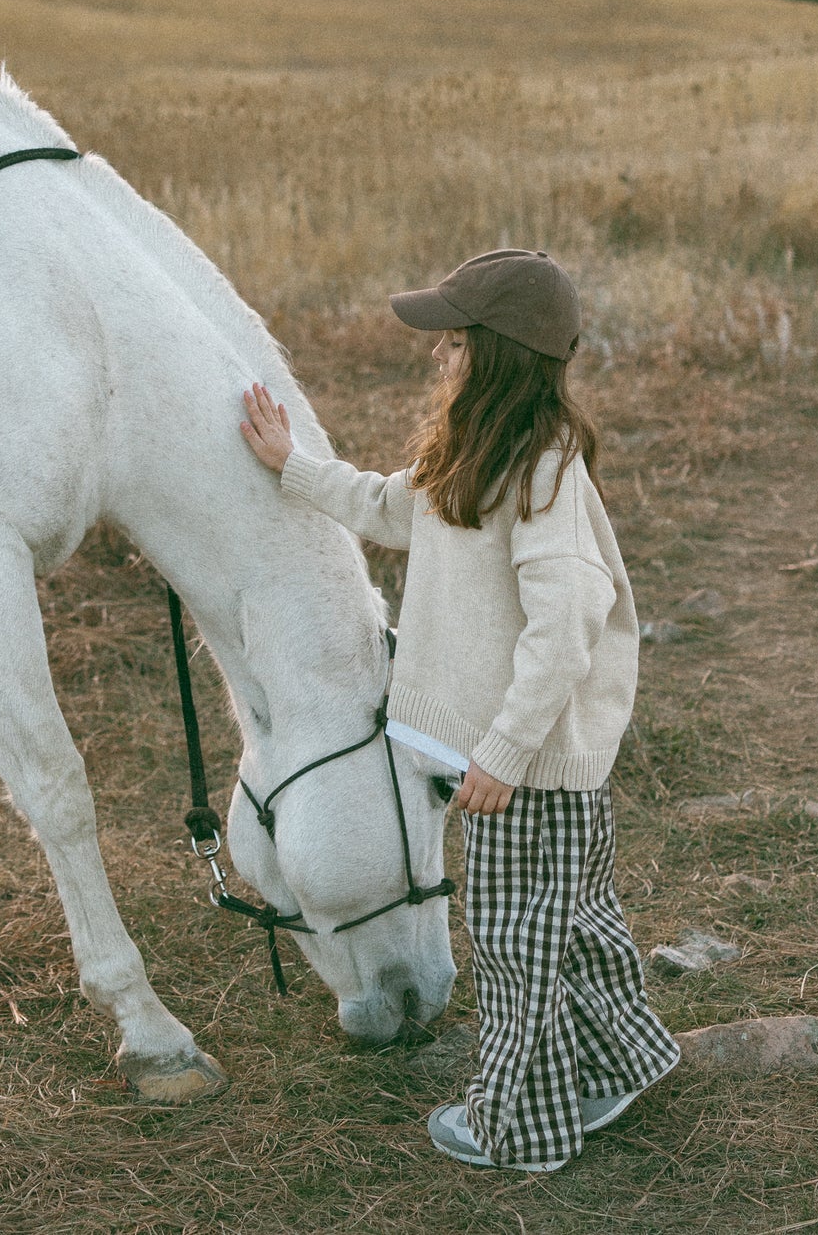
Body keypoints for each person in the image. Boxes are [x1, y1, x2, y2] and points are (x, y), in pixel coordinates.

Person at [240, 249, 678, 1173]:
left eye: (454, 340)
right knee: (576, 919)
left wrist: (506, 753)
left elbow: (567, 622)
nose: (437, 353)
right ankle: (625, 1057)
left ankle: (520, 1128)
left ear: (500, 354)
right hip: (516, 765)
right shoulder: (478, 454)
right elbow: (390, 509)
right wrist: (294, 467)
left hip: (523, 771)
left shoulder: (541, 471)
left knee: (519, 948)